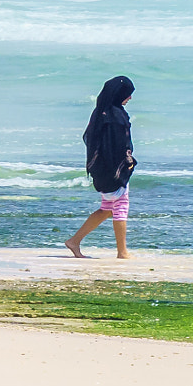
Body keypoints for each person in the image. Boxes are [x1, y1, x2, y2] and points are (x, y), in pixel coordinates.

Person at [66, 75, 136, 259]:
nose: (129, 98)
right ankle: (122, 252)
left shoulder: (101, 112)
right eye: (128, 94)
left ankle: (74, 241)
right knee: (120, 206)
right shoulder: (114, 116)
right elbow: (116, 146)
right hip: (113, 170)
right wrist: (124, 167)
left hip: (102, 169)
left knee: (107, 208)